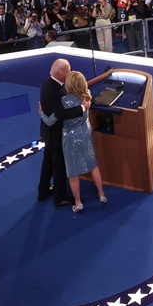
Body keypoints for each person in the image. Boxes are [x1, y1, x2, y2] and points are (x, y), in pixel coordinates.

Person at [40, 70, 108, 212]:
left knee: (72, 172)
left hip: (71, 138)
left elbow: (52, 120)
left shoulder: (65, 101)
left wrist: (41, 113)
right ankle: (102, 195)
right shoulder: (87, 94)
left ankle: (78, 203)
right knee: (93, 165)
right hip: (86, 133)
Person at [38, 59, 88, 208]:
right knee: (59, 166)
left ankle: (43, 190)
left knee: (47, 163)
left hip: (48, 133)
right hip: (56, 135)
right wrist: (83, 108)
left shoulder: (48, 83)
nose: (69, 74)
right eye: (67, 72)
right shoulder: (56, 90)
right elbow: (60, 114)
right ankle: (60, 198)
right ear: (58, 73)